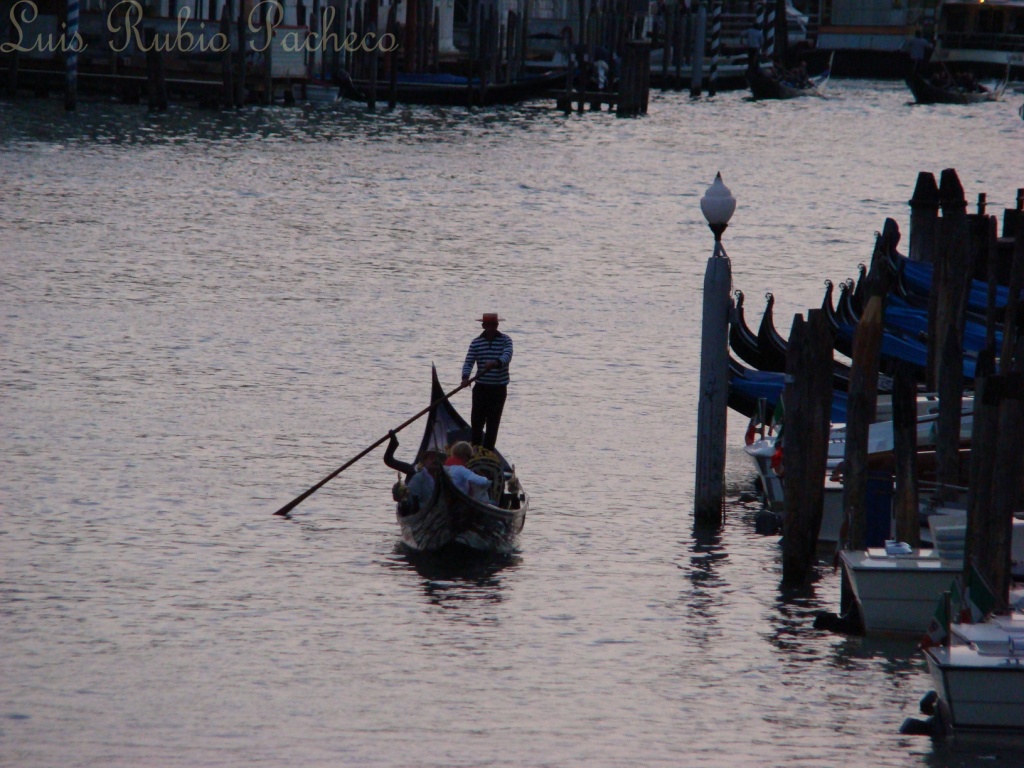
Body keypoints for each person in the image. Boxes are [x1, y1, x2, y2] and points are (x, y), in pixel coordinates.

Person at [461, 312, 513, 451]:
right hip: (481, 388)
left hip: (498, 389)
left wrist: (496, 363)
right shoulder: (476, 342)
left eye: (494, 325)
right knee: (477, 423)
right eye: (489, 325)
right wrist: (465, 377)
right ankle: (476, 450)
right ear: (483, 326)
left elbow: (507, 355)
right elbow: (469, 361)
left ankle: (488, 451)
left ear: (497, 325)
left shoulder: (506, 340)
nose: (491, 327)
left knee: (493, 423)